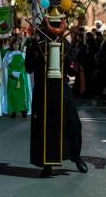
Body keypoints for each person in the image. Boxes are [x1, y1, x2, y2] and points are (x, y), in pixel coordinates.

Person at [26, 35, 87, 178]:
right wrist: (33, 52)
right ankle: (47, 164)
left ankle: (75, 155)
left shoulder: (64, 42)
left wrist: (72, 62)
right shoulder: (36, 43)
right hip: (43, 90)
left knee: (73, 123)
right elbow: (28, 68)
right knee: (45, 127)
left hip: (61, 89)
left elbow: (72, 69)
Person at [3, 37, 31, 118]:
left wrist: (20, 72)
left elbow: (25, 65)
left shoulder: (23, 54)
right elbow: (5, 66)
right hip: (12, 78)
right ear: (12, 45)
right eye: (15, 44)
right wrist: (12, 72)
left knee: (22, 94)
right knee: (12, 94)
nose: (16, 46)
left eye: (18, 44)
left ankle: (23, 110)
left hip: (22, 77)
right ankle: (13, 110)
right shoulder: (8, 54)